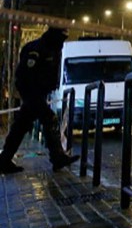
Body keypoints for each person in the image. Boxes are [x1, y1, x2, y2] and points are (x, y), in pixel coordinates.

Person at [0, 27, 80, 174]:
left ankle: (4, 160)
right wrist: (31, 97)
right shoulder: (36, 49)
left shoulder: (53, 48)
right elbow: (24, 76)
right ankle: (57, 157)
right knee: (50, 119)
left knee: (20, 127)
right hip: (32, 93)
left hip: (39, 94)